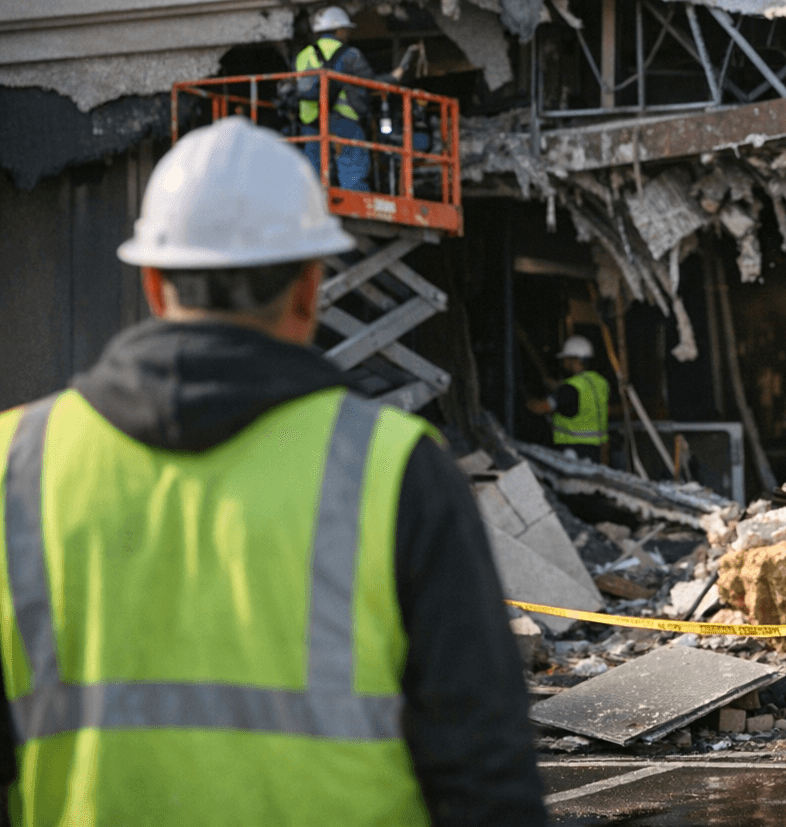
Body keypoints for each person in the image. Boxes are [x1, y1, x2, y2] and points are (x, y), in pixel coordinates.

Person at [0, 117, 546, 825]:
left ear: (156, 283)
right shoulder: (395, 471)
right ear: (309, 288)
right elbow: (487, 781)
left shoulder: (18, 467)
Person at [294, 5, 413, 192]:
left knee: (313, 169)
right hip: (342, 120)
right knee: (353, 165)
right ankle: (355, 201)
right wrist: (395, 76)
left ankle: (312, 206)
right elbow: (370, 83)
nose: (348, 34)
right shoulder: (350, 54)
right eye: (346, 30)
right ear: (340, 30)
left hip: (311, 122)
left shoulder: (303, 55)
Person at [527, 335, 610, 465]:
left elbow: (540, 408)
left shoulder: (570, 388)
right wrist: (557, 387)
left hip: (573, 451)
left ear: (574, 360)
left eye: (565, 360)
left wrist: (527, 400)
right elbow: (584, 398)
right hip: (596, 450)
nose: (563, 364)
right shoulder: (600, 382)